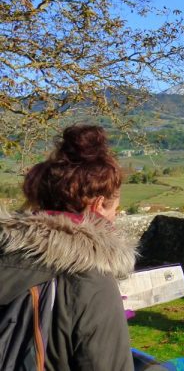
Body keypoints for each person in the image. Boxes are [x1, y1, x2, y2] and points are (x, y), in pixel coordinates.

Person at [0, 124, 135, 370]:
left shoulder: (6, 252)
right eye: (116, 209)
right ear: (98, 206)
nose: (116, 218)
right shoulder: (90, 281)